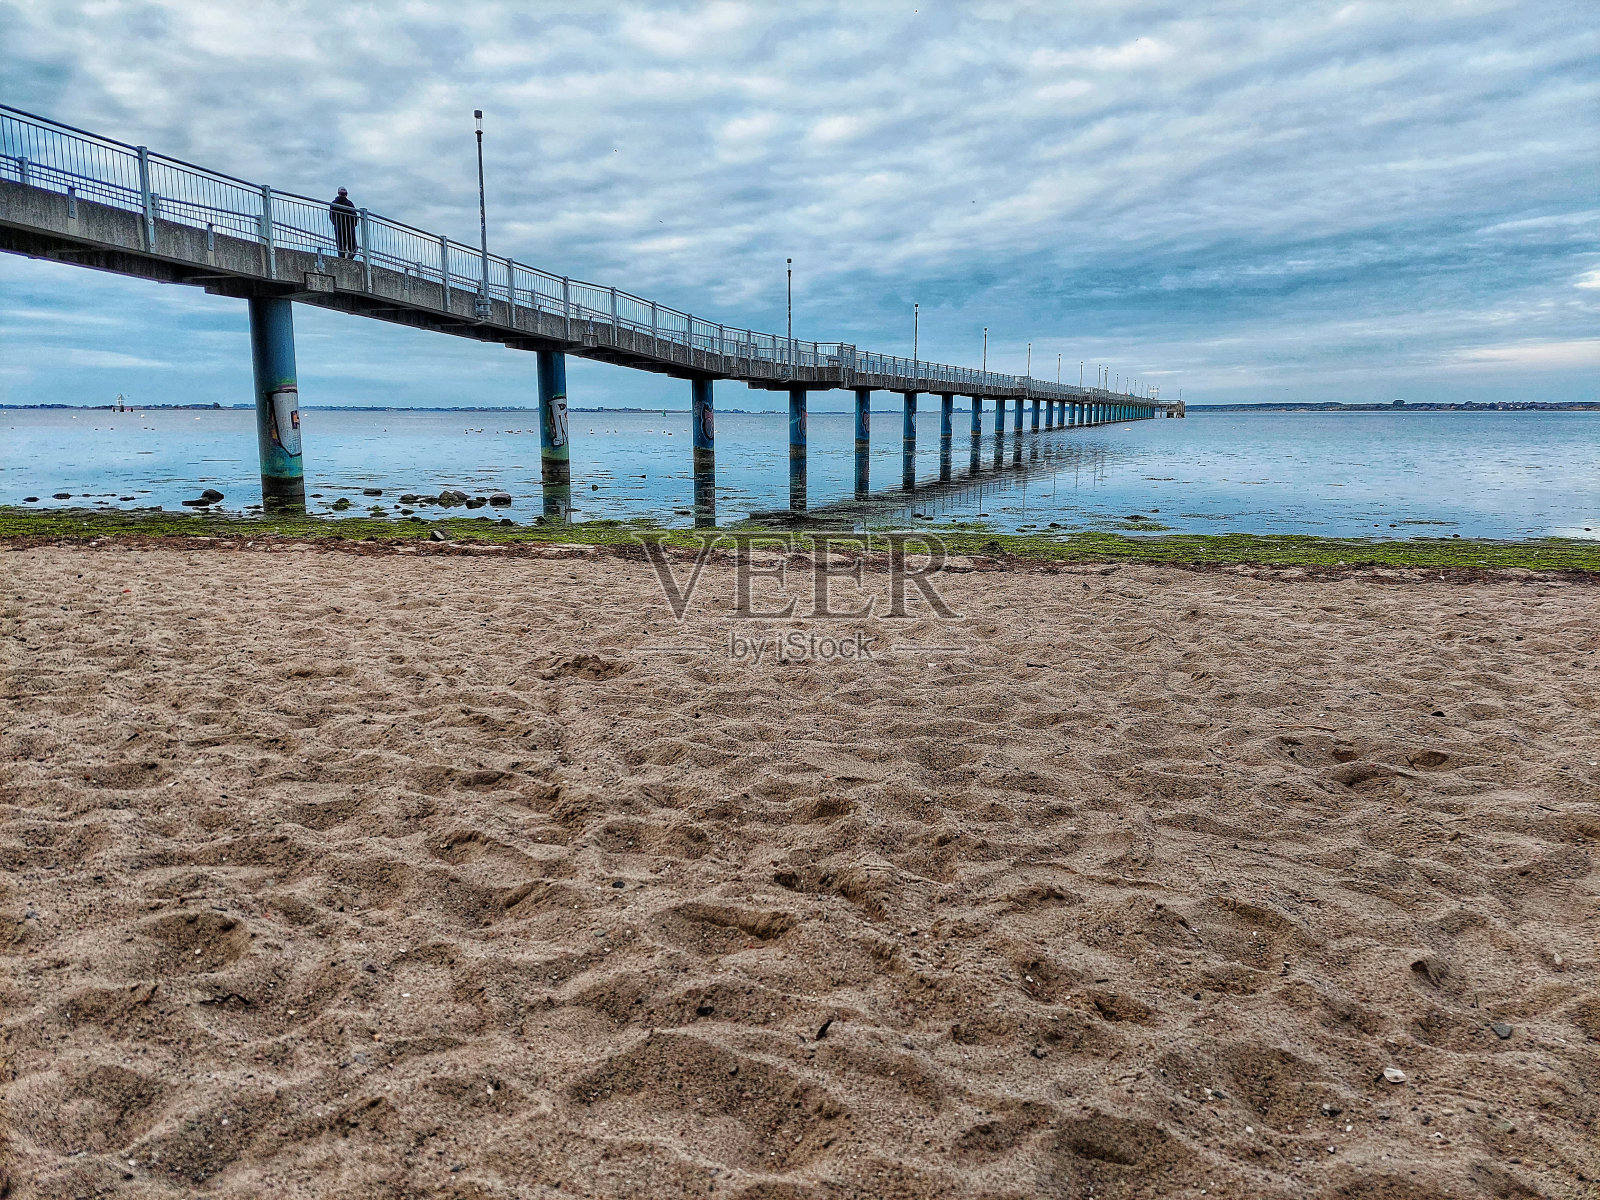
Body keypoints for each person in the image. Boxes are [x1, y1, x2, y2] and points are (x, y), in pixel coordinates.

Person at [329, 187, 358, 259]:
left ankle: (343, 258)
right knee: (353, 247)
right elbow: (354, 216)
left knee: (341, 246)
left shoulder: (334, 203)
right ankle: (348, 258)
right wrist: (353, 224)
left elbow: (331, 216)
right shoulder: (349, 203)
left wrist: (336, 223)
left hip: (340, 227)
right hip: (348, 227)